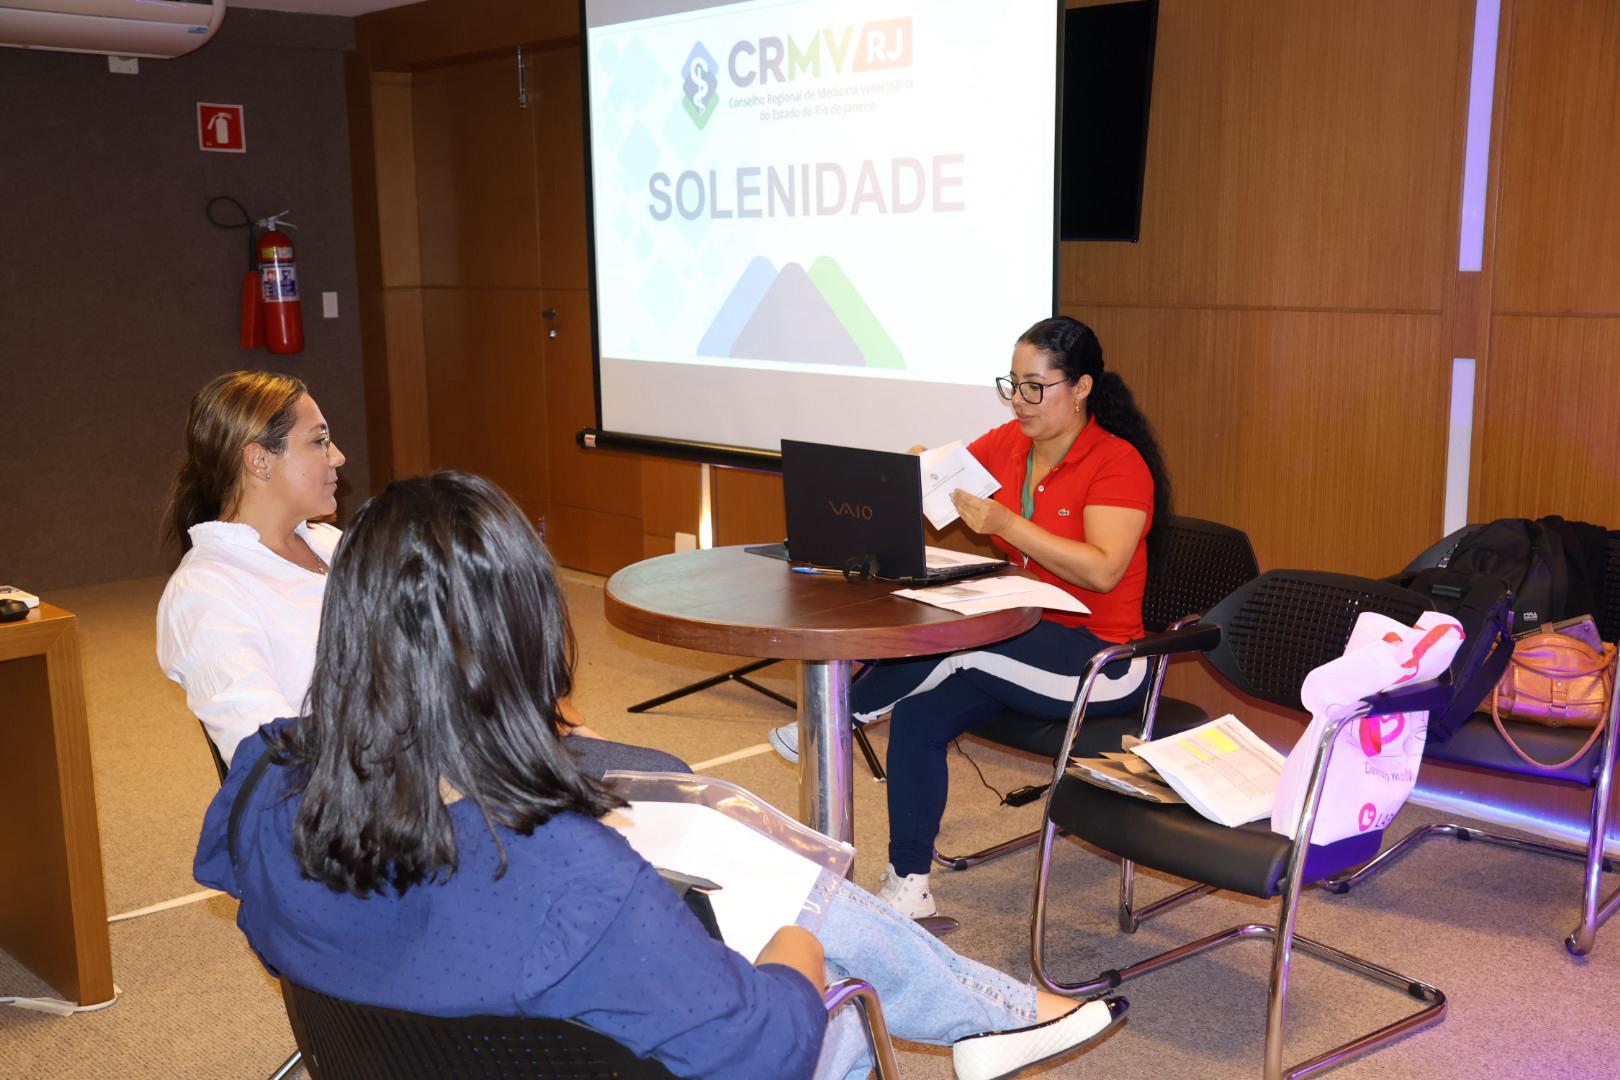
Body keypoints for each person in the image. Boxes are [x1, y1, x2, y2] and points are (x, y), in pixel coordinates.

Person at [193, 471, 1128, 1080]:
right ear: (523, 636)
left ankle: (992, 1012)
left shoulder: (267, 780)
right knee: (820, 961)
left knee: (729, 874)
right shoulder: (567, 872)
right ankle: (988, 1013)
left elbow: (274, 933)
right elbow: (763, 1050)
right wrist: (796, 950)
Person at [770, 316, 1172, 919]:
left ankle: (840, 714)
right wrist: (915, 471)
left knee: (963, 643)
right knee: (919, 714)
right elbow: (938, 476)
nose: (1019, 400)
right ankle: (910, 884)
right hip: (1022, 637)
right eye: (1012, 384)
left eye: (1035, 387)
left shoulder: (1117, 463)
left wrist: (1009, 525)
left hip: (1103, 662)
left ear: (1082, 387)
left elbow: (1103, 571)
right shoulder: (1009, 443)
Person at [156, 371, 671, 778]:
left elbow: (448, 645)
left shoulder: (334, 544)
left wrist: (543, 717)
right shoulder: (207, 591)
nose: (338, 456)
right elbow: (269, 755)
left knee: (664, 778)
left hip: (449, 753)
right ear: (259, 461)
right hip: (383, 797)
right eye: (319, 441)